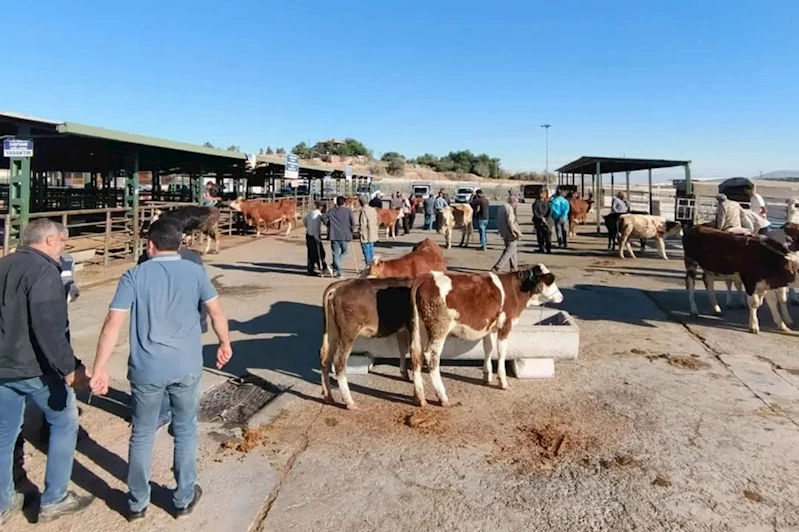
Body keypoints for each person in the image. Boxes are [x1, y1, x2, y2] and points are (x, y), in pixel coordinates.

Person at [89, 219, 232, 522]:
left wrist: (99, 368)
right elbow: (216, 312)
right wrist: (224, 342)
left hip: (146, 370)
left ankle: (137, 502)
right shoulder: (195, 272)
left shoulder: (134, 275)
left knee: (141, 434)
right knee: (185, 430)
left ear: (150, 245)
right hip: (186, 366)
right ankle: (182, 498)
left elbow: (113, 324)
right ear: (181, 244)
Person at [0, 219, 94, 524]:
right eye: (63, 242)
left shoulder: (4, 265)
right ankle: (54, 498)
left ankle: (4, 500)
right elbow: (49, 328)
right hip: (34, 369)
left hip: (2, 368)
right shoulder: (44, 272)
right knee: (65, 423)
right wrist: (71, 368)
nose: (64, 248)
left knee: (4, 434)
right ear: (50, 240)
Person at [136, 224, 209, 432]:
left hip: (159, 325)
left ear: (152, 242)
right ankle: (181, 417)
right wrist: (202, 322)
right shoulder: (193, 259)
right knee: (184, 371)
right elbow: (204, 297)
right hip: (184, 325)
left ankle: (164, 413)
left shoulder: (146, 258)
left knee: (163, 370)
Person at [324, 196, 355, 278]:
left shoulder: (331, 211)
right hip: (345, 235)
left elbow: (323, 217)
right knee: (345, 252)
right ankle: (337, 270)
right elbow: (353, 223)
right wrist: (351, 231)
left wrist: (328, 225)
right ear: (344, 203)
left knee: (335, 254)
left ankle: (334, 267)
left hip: (334, 234)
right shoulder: (348, 211)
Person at [492, 196, 522, 273]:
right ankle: (498, 266)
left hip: (503, 231)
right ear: (513, 201)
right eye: (516, 202)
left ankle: (514, 268)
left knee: (513, 250)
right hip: (510, 232)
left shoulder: (502, 207)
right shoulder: (509, 208)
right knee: (510, 250)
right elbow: (510, 222)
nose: (517, 204)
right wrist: (516, 232)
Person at [303, 202, 329, 276]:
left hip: (309, 234)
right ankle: (321, 267)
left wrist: (308, 227)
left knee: (310, 252)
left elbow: (304, 221)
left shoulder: (310, 213)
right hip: (316, 235)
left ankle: (310, 268)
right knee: (320, 252)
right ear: (321, 207)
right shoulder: (319, 215)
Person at [358, 195, 379, 265]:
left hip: (366, 235)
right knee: (371, 251)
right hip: (373, 233)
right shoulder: (373, 210)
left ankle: (369, 267)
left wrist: (360, 232)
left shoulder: (364, 211)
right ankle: (373, 266)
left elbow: (363, 224)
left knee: (366, 252)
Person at [532, 188, 553, 254]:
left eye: (543, 193)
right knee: (541, 236)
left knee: (547, 236)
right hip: (540, 222)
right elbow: (535, 212)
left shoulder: (548, 203)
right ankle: (543, 248)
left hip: (546, 222)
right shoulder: (536, 204)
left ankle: (547, 249)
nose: (542, 195)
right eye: (541, 193)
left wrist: (545, 218)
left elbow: (550, 212)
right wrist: (541, 218)